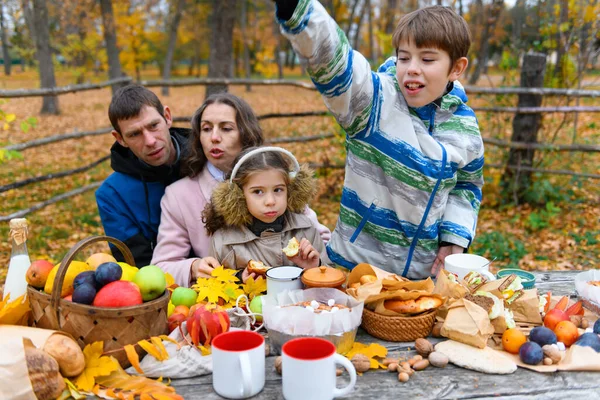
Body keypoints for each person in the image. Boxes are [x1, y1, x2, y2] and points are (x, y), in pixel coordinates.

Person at [274, 1, 484, 279]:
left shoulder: (465, 127)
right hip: (351, 273)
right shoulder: (374, 103)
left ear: (456, 68)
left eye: (427, 59)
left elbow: (466, 186)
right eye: (404, 57)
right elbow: (336, 62)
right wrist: (297, 8)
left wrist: (453, 238)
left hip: (420, 283)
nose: (412, 68)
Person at [151, 93, 331, 287]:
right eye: (206, 129)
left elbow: (320, 242)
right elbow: (162, 265)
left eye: (226, 128)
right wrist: (194, 267)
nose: (214, 137)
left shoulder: (275, 178)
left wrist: (314, 261)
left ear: (245, 133)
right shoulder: (179, 195)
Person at [96, 84, 190, 267]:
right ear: (120, 139)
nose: (150, 141)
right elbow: (138, 264)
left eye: (154, 125)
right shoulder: (112, 195)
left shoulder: (207, 162)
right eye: (134, 134)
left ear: (167, 117)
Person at [203, 147, 324, 282]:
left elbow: (330, 281)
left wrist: (314, 267)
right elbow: (213, 285)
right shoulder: (224, 242)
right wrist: (239, 278)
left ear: (290, 190)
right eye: (258, 192)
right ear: (237, 195)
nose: (270, 201)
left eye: (278, 190)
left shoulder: (306, 230)